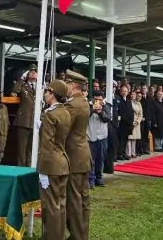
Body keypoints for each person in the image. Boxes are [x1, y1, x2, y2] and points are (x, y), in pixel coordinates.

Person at [37, 80, 72, 240]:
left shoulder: (50, 114)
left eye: (47, 92)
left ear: (52, 95)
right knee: (61, 205)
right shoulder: (65, 112)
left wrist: (43, 170)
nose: (45, 94)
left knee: (50, 206)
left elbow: (47, 144)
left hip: (51, 164)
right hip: (63, 162)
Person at [63, 71, 91, 240]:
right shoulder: (84, 102)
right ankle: (81, 234)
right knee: (83, 199)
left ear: (72, 85)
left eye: (67, 83)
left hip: (74, 156)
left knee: (74, 199)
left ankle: (77, 235)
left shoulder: (73, 105)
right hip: (83, 155)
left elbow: (63, 127)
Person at [11, 66, 38, 167]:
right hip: (23, 121)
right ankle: (21, 169)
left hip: (35, 122)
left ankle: (29, 169)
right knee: (22, 149)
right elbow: (15, 91)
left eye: (35, 71)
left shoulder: (40, 86)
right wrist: (22, 78)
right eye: (31, 71)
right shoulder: (23, 85)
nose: (33, 73)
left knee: (32, 149)